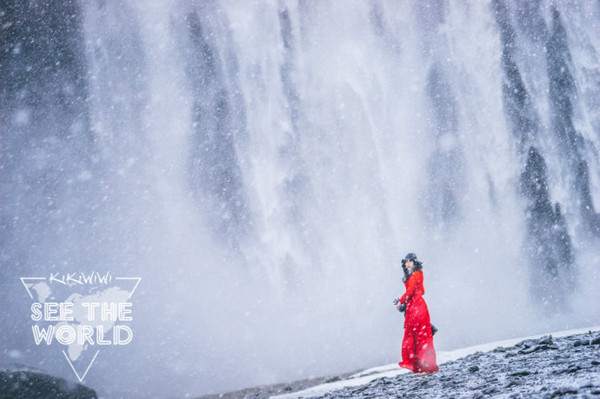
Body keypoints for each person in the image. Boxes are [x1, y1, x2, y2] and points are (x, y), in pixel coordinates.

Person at [393, 252, 439, 373]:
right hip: (413, 307)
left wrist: (401, 301)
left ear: (415, 262)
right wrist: (404, 303)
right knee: (414, 337)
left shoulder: (416, 274)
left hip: (417, 307)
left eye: (410, 261)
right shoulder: (412, 274)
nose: (408, 263)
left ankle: (426, 367)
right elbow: (415, 291)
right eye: (406, 261)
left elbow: (411, 291)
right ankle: (421, 367)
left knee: (420, 337)